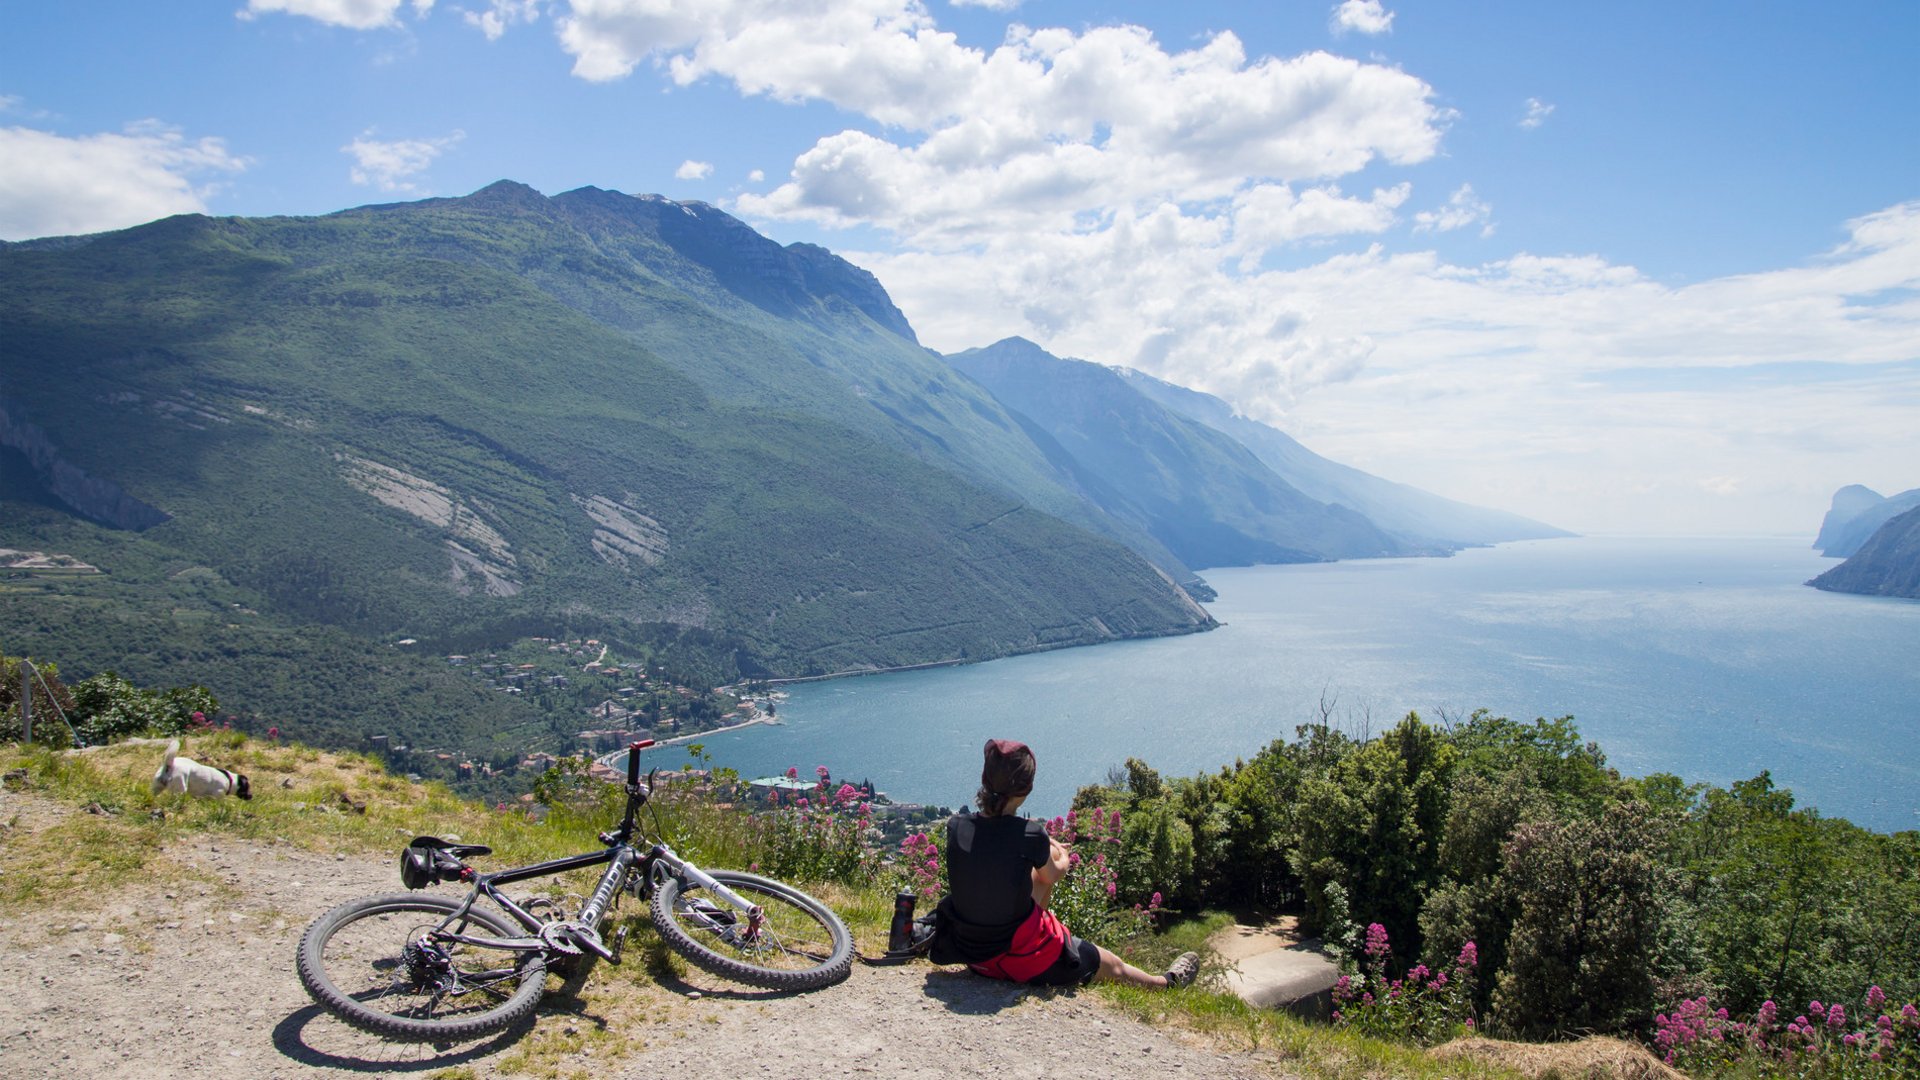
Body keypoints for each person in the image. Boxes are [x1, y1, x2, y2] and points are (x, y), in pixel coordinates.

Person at [927, 738, 1199, 989]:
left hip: (973, 955)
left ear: (985, 780)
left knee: (1036, 876)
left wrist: (1046, 844)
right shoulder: (1029, 834)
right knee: (1112, 965)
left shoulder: (957, 825)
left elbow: (999, 853)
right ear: (1026, 789)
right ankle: (1166, 983)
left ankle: (1032, 937)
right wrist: (1061, 853)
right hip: (1014, 964)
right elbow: (1054, 874)